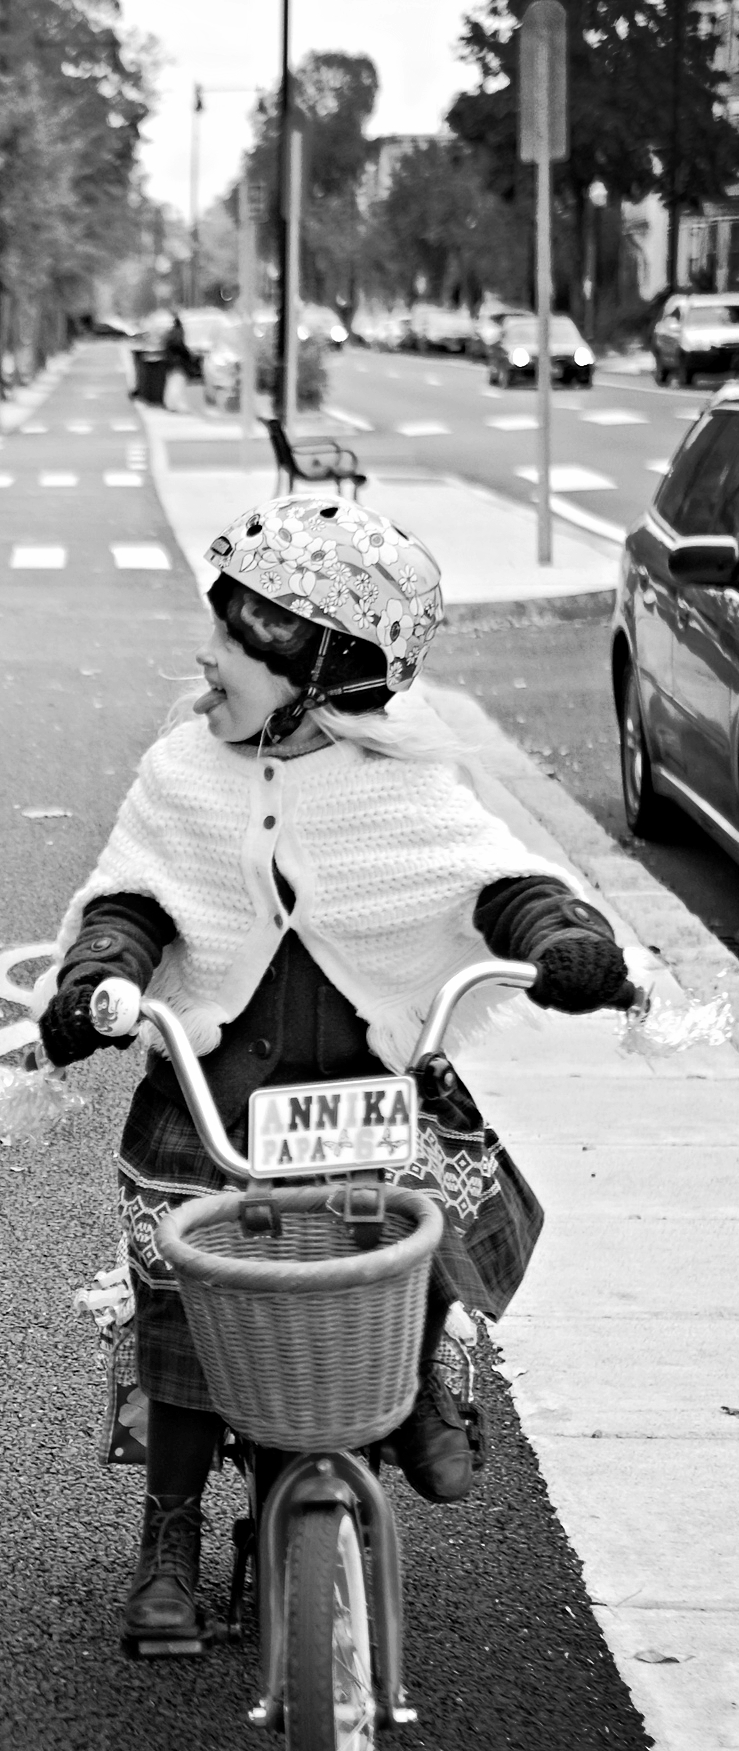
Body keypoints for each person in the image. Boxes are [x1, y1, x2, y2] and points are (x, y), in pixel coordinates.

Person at [34, 495, 631, 1651]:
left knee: (423, 1212)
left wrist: (557, 935)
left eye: (238, 636)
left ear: (320, 666)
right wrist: (101, 966)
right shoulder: (185, 770)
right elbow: (136, 894)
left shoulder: (400, 782)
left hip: (363, 1094)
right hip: (216, 1106)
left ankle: (407, 1381)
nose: (205, 656)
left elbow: (486, 878)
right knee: (184, 1306)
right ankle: (168, 1530)